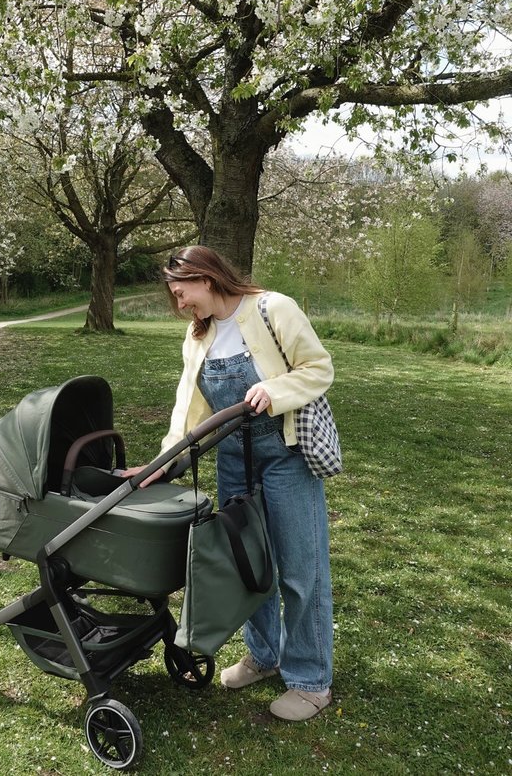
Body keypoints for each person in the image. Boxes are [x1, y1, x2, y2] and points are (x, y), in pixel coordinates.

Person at [126, 245, 335, 721]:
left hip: (286, 456)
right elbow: (190, 409)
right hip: (234, 463)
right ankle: (265, 656)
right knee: (249, 565)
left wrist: (275, 390)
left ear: (206, 278)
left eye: (182, 293)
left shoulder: (273, 307)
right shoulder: (197, 336)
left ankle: (310, 682)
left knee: (301, 569)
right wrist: (160, 463)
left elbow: (318, 368)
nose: (181, 305)